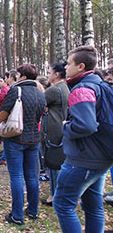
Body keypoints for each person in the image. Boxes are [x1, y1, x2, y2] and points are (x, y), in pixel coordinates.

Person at [53, 46, 113, 233]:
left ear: (80, 66)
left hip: (83, 159)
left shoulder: (82, 89)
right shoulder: (102, 86)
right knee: (93, 206)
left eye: (69, 63)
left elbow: (86, 125)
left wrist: (65, 126)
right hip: (101, 157)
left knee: (62, 204)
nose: (65, 67)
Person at [0, 64, 46, 226]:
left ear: (23, 77)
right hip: (34, 139)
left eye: (18, 75)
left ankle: (17, 215)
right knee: (32, 176)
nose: (16, 77)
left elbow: (2, 115)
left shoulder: (16, 91)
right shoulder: (41, 94)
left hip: (15, 139)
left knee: (17, 176)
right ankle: (33, 211)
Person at [40, 62, 70, 207]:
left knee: (53, 165)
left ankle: (55, 195)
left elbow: (39, 103)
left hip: (53, 131)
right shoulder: (64, 88)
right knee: (56, 164)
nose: (48, 74)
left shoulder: (54, 90)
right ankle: (56, 194)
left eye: (49, 71)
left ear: (56, 74)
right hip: (60, 129)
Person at [0, 70, 17, 165]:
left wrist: (2, 116)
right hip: (6, 115)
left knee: (7, 136)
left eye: (7, 78)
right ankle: (4, 155)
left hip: (9, 117)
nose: (6, 80)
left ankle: (4, 157)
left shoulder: (11, 90)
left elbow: (0, 100)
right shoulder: (9, 89)